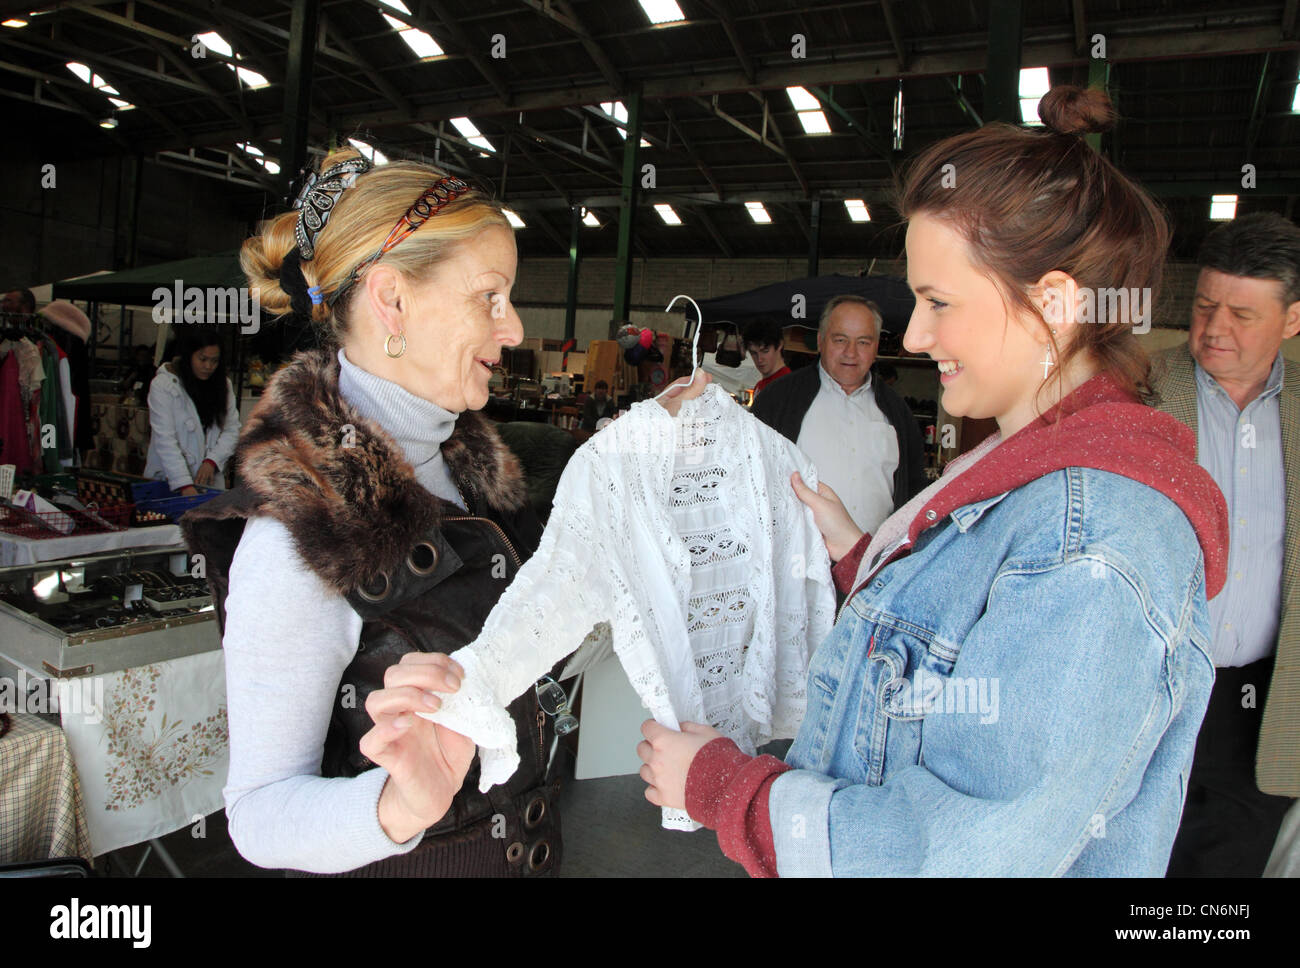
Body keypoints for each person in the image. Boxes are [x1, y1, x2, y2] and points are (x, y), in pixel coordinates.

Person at [636, 85, 1229, 877]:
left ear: (1052, 303)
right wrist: (862, 558)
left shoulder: (1094, 542)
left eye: (937, 302)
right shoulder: (1022, 472)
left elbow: (950, 853)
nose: (913, 336)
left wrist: (723, 789)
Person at [180, 148, 560, 877]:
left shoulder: (473, 477)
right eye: (490, 296)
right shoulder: (299, 533)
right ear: (391, 301)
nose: (511, 329)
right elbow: (259, 813)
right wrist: (398, 807)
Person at [1155, 212, 1300, 877]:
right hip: (1148, 691)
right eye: (1206, 305)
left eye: (1243, 315)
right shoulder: (1138, 391)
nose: (1215, 328)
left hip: (1262, 710)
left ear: (1291, 321)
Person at [752, 293, 925, 536]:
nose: (851, 353)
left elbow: (915, 490)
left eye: (863, 342)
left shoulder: (897, 412)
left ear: (876, 347)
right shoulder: (776, 400)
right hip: (799, 567)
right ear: (821, 341)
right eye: (840, 340)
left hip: (873, 565)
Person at [143, 325, 240, 494]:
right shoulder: (163, 385)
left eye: (214, 361)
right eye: (202, 359)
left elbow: (232, 430)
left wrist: (212, 461)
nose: (208, 366)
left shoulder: (223, 385)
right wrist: (183, 483)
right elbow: (165, 439)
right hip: (167, 479)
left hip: (208, 482)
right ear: (189, 356)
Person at [742, 316, 790, 395]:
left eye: (765, 351)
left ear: (779, 345)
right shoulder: (759, 386)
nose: (759, 359)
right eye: (754, 353)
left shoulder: (787, 384)